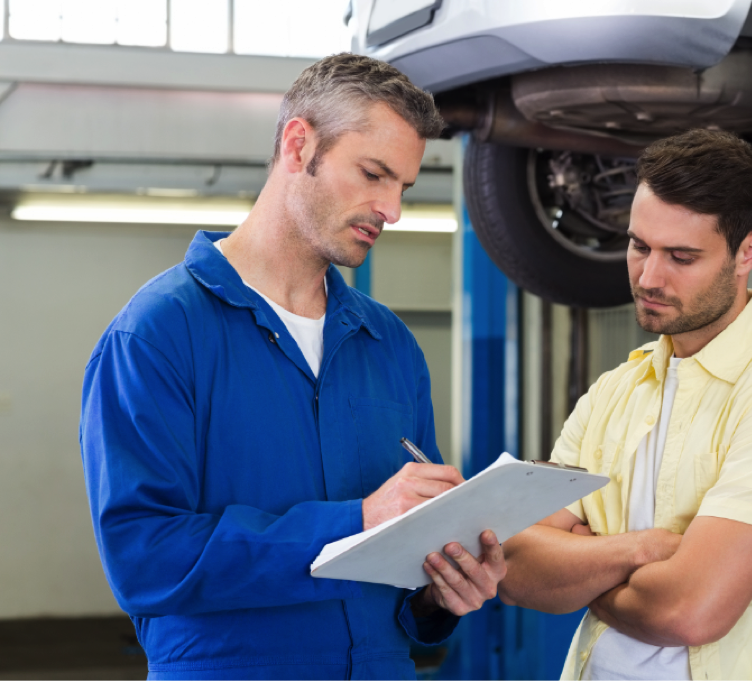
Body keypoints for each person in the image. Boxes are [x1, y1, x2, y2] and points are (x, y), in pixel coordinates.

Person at [80, 54, 505, 681]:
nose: (391, 209)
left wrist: (441, 593)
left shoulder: (388, 344)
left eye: (403, 188)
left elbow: (406, 572)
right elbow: (145, 559)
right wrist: (356, 522)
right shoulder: (158, 335)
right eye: (373, 174)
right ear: (298, 144)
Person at [499, 129, 752, 681]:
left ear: (749, 253)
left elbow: (687, 610)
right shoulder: (615, 392)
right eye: (640, 245)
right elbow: (514, 564)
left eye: (682, 256)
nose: (648, 277)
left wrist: (585, 564)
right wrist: (644, 550)